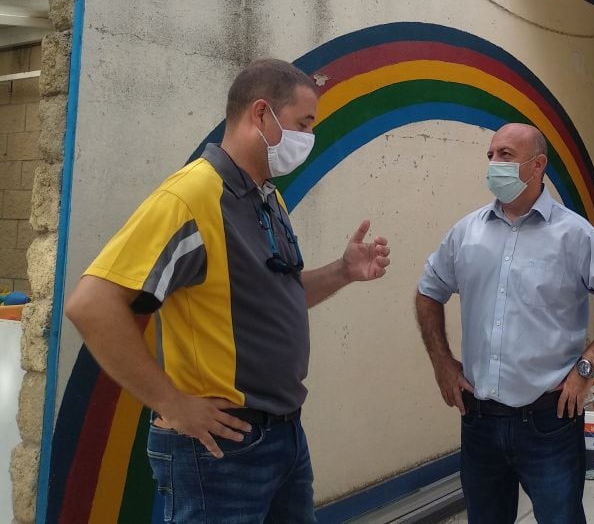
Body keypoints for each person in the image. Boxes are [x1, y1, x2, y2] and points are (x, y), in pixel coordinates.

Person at [65, 58, 391, 523]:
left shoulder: (267, 197)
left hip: (283, 438)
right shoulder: (192, 197)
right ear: (261, 114)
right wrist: (171, 403)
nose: (308, 139)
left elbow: (279, 295)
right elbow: (92, 305)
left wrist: (342, 270)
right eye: (303, 124)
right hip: (221, 452)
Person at [415, 122, 594, 524]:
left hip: (549, 423)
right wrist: (442, 362)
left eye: (505, 155)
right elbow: (428, 291)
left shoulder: (573, 235)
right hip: (479, 421)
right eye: (491, 155)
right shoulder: (466, 233)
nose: (493, 164)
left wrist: (586, 368)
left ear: (537, 164)